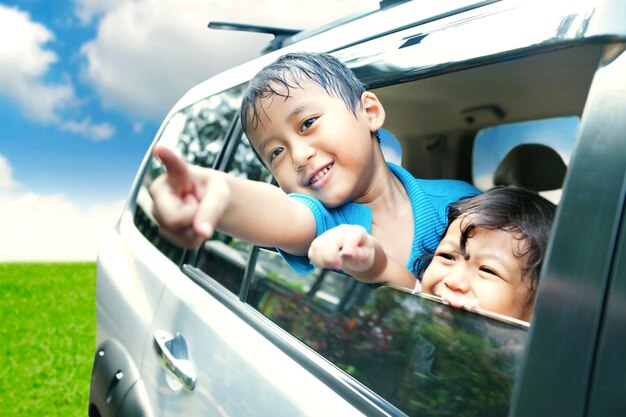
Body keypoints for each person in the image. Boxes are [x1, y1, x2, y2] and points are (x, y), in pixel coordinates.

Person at [149, 52, 479, 276]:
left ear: (370, 112)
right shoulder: (323, 222)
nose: (298, 156)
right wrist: (216, 191)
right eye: (275, 153)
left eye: (307, 123)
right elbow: (283, 215)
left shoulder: (461, 201)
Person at [309, 187, 556, 321]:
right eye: (448, 257)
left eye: (488, 270)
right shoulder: (426, 307)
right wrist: (360, 250)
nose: (453, 280)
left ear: (536, 305)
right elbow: (383, 269)